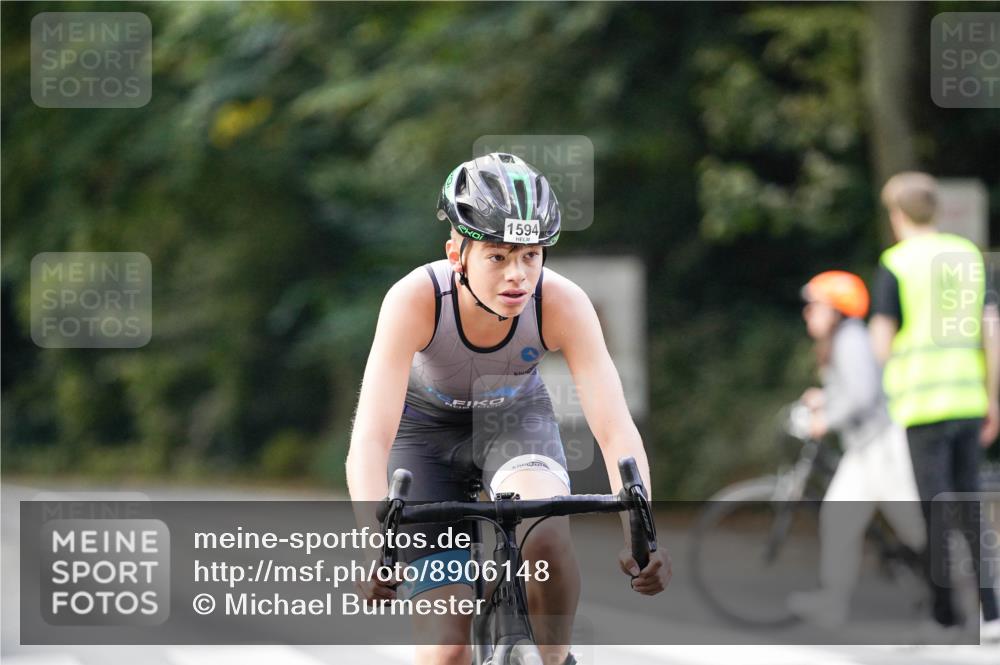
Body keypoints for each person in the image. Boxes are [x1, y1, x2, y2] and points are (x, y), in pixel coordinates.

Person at [345, 152, 671, 665]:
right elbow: (369, 439)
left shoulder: (562, 303)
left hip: (514, 425)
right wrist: (374, 542)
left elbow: (615, 430)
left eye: (531, 255)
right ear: (457, 254)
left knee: (545, 535)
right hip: (424, 439)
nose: (518, 275)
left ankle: (553, 659)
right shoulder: (415, 299)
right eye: (497, 256)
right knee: (446, 650)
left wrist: (643, 533)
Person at [869, 171, 1000, 643]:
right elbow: (992, 332)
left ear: (897, 214)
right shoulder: (966, 256)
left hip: (922, 403)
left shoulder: (896, 262)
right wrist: (993, 397)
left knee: (936, 509)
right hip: (969, 397)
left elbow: (882, 340)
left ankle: (944, 615)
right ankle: (992, 612)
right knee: (969, 506)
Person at [787, 271, 926, 629]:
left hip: (881, 450)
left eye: (815, 306)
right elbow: (854, 390)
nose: (808, 313)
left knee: (918, 529)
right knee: (839, 519)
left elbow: (863, 395)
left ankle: (979, 597)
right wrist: (825, 399)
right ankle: (832, 604)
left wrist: (826, 417)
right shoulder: (843, 340)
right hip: (864, 452)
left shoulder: (850, 340)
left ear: (836, 310)